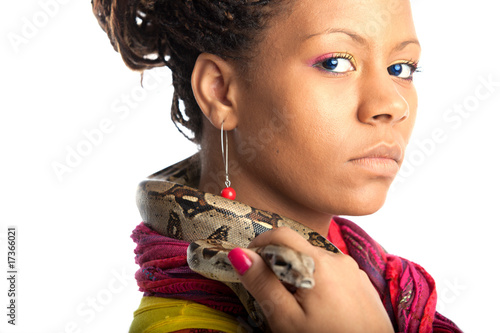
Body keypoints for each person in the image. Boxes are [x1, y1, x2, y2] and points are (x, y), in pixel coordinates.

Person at [92, 0, 463, 332]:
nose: (394, 105)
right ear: (220, 90)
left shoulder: (375, 276)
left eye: (401, 68)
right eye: (335, 63)